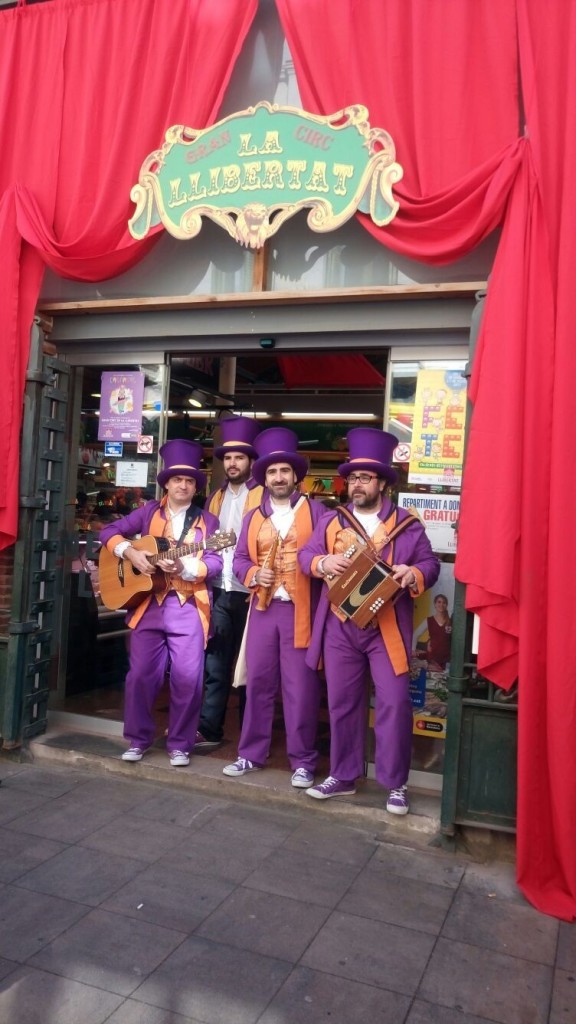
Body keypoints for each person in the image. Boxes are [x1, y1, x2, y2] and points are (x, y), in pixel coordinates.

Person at [299, 428, 440, 814]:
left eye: (365, 477)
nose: (356, 484)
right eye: (352, 478)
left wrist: (414, 572)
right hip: (340, 625)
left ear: (382, 483)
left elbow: (430, 564)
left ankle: (396, 784)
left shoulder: (408, 525)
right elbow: (305, 556)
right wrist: (323, 562)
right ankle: (343, 776)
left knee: (394, 703)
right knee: (342, 702)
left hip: (387, 626)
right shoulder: (332, 520)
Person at [99, 439, 223, 767]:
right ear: (167, 483)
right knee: (140, 675)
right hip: (148, 605)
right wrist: (131, 553)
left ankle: (180, 743)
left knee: (188, 679)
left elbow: (215, 563)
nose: (183, 485)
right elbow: (109, 532)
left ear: (196, 486)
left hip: (189, 605)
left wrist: (184, 567)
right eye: (177, 479)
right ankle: (138, 739)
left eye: (189, 480)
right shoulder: (148, 512)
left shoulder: (209, 523)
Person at [222, 427, 324, 788]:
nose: (278, 478)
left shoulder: (319, 513)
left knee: (300, 688)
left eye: (284, 471)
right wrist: (253, 574)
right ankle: (251, 753)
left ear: (295, 476)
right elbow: (239, 560)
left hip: (301, 611)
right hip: (263, 610)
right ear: (264, 479)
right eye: (272, 472)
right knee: (258, 683)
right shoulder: (253, 517)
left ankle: (303, 761)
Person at [196, 416, 264, 748]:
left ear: (251, 461)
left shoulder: (265, 495)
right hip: (220, 589)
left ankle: (249, 737)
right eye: (228, 457)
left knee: (251, 669)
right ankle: (210, 729)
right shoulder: (215, 498)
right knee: (217, 664)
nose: (233, 463)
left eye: (239, 457)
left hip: (253, 592)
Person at [414, 593, 452, 671]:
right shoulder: (429, 620)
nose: (441, 604)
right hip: (432, 659)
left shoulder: (451, 622)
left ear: (446, 605)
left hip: (447, 659)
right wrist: (413, 650)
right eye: (439, 602)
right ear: (435, 604)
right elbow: (416, 634)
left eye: (444, 602)